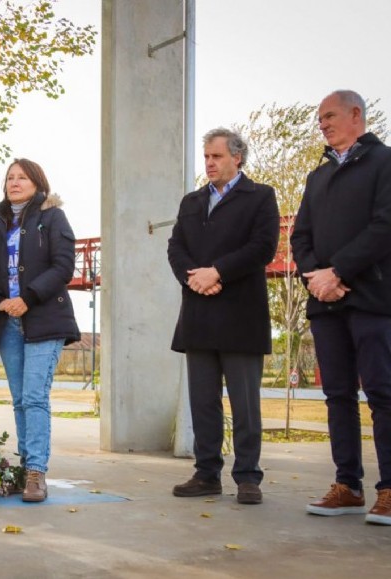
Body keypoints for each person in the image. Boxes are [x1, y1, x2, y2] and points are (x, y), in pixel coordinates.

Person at [290, 90, 391, 525]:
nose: (323, 124)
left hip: (373, 300)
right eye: (319, 119)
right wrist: (317, 277)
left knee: (384, 395)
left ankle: (389, 490)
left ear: (356, 115)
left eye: (329, 116)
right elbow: (300, 237)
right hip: (325, 305)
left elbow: (385, 226)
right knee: (337, 396)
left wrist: (341, 272)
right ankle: (347, 484)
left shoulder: (385, 163)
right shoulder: (317, 177)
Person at [167, 128, 279, 505]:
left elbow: (262, 248)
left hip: (241, 316)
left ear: (237, 157)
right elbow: (176, 247)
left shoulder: (260, 197)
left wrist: (218, 272)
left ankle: (248, 476)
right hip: (199, 313)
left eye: (216, 157)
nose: (210, 163)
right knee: (203, 401)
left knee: (245, 403)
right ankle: (207, 473)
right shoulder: (192, 201)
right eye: (206, 157)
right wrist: (194, 277)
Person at [0, 158, 80, 502]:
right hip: (7, 321)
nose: (14, 182)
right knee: (19, 401)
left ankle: (36, 473)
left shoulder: (52, 216)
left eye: (22, 177)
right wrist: (0, 301)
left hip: (44, 319)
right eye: (9, 177)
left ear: (37, 182)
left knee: (34, 397)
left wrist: (27, 299)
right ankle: (23, 469)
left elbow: (63, 266)